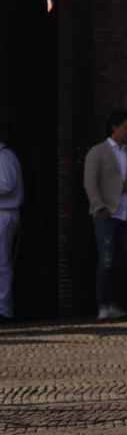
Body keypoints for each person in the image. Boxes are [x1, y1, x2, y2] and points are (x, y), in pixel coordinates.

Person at [83, 109, 127, 319]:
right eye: (126, 127)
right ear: (115, 127)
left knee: (121, 261)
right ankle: (103, 304)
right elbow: (90, 182)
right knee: (106, 260)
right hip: (107, 213)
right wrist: (99, 206)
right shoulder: (98, 152)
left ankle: (114, 302)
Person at [0, 130, 22, 321]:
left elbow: (6, 186)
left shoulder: (4, 157)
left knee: (2, 262)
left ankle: (4, 310)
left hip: (4, 213)